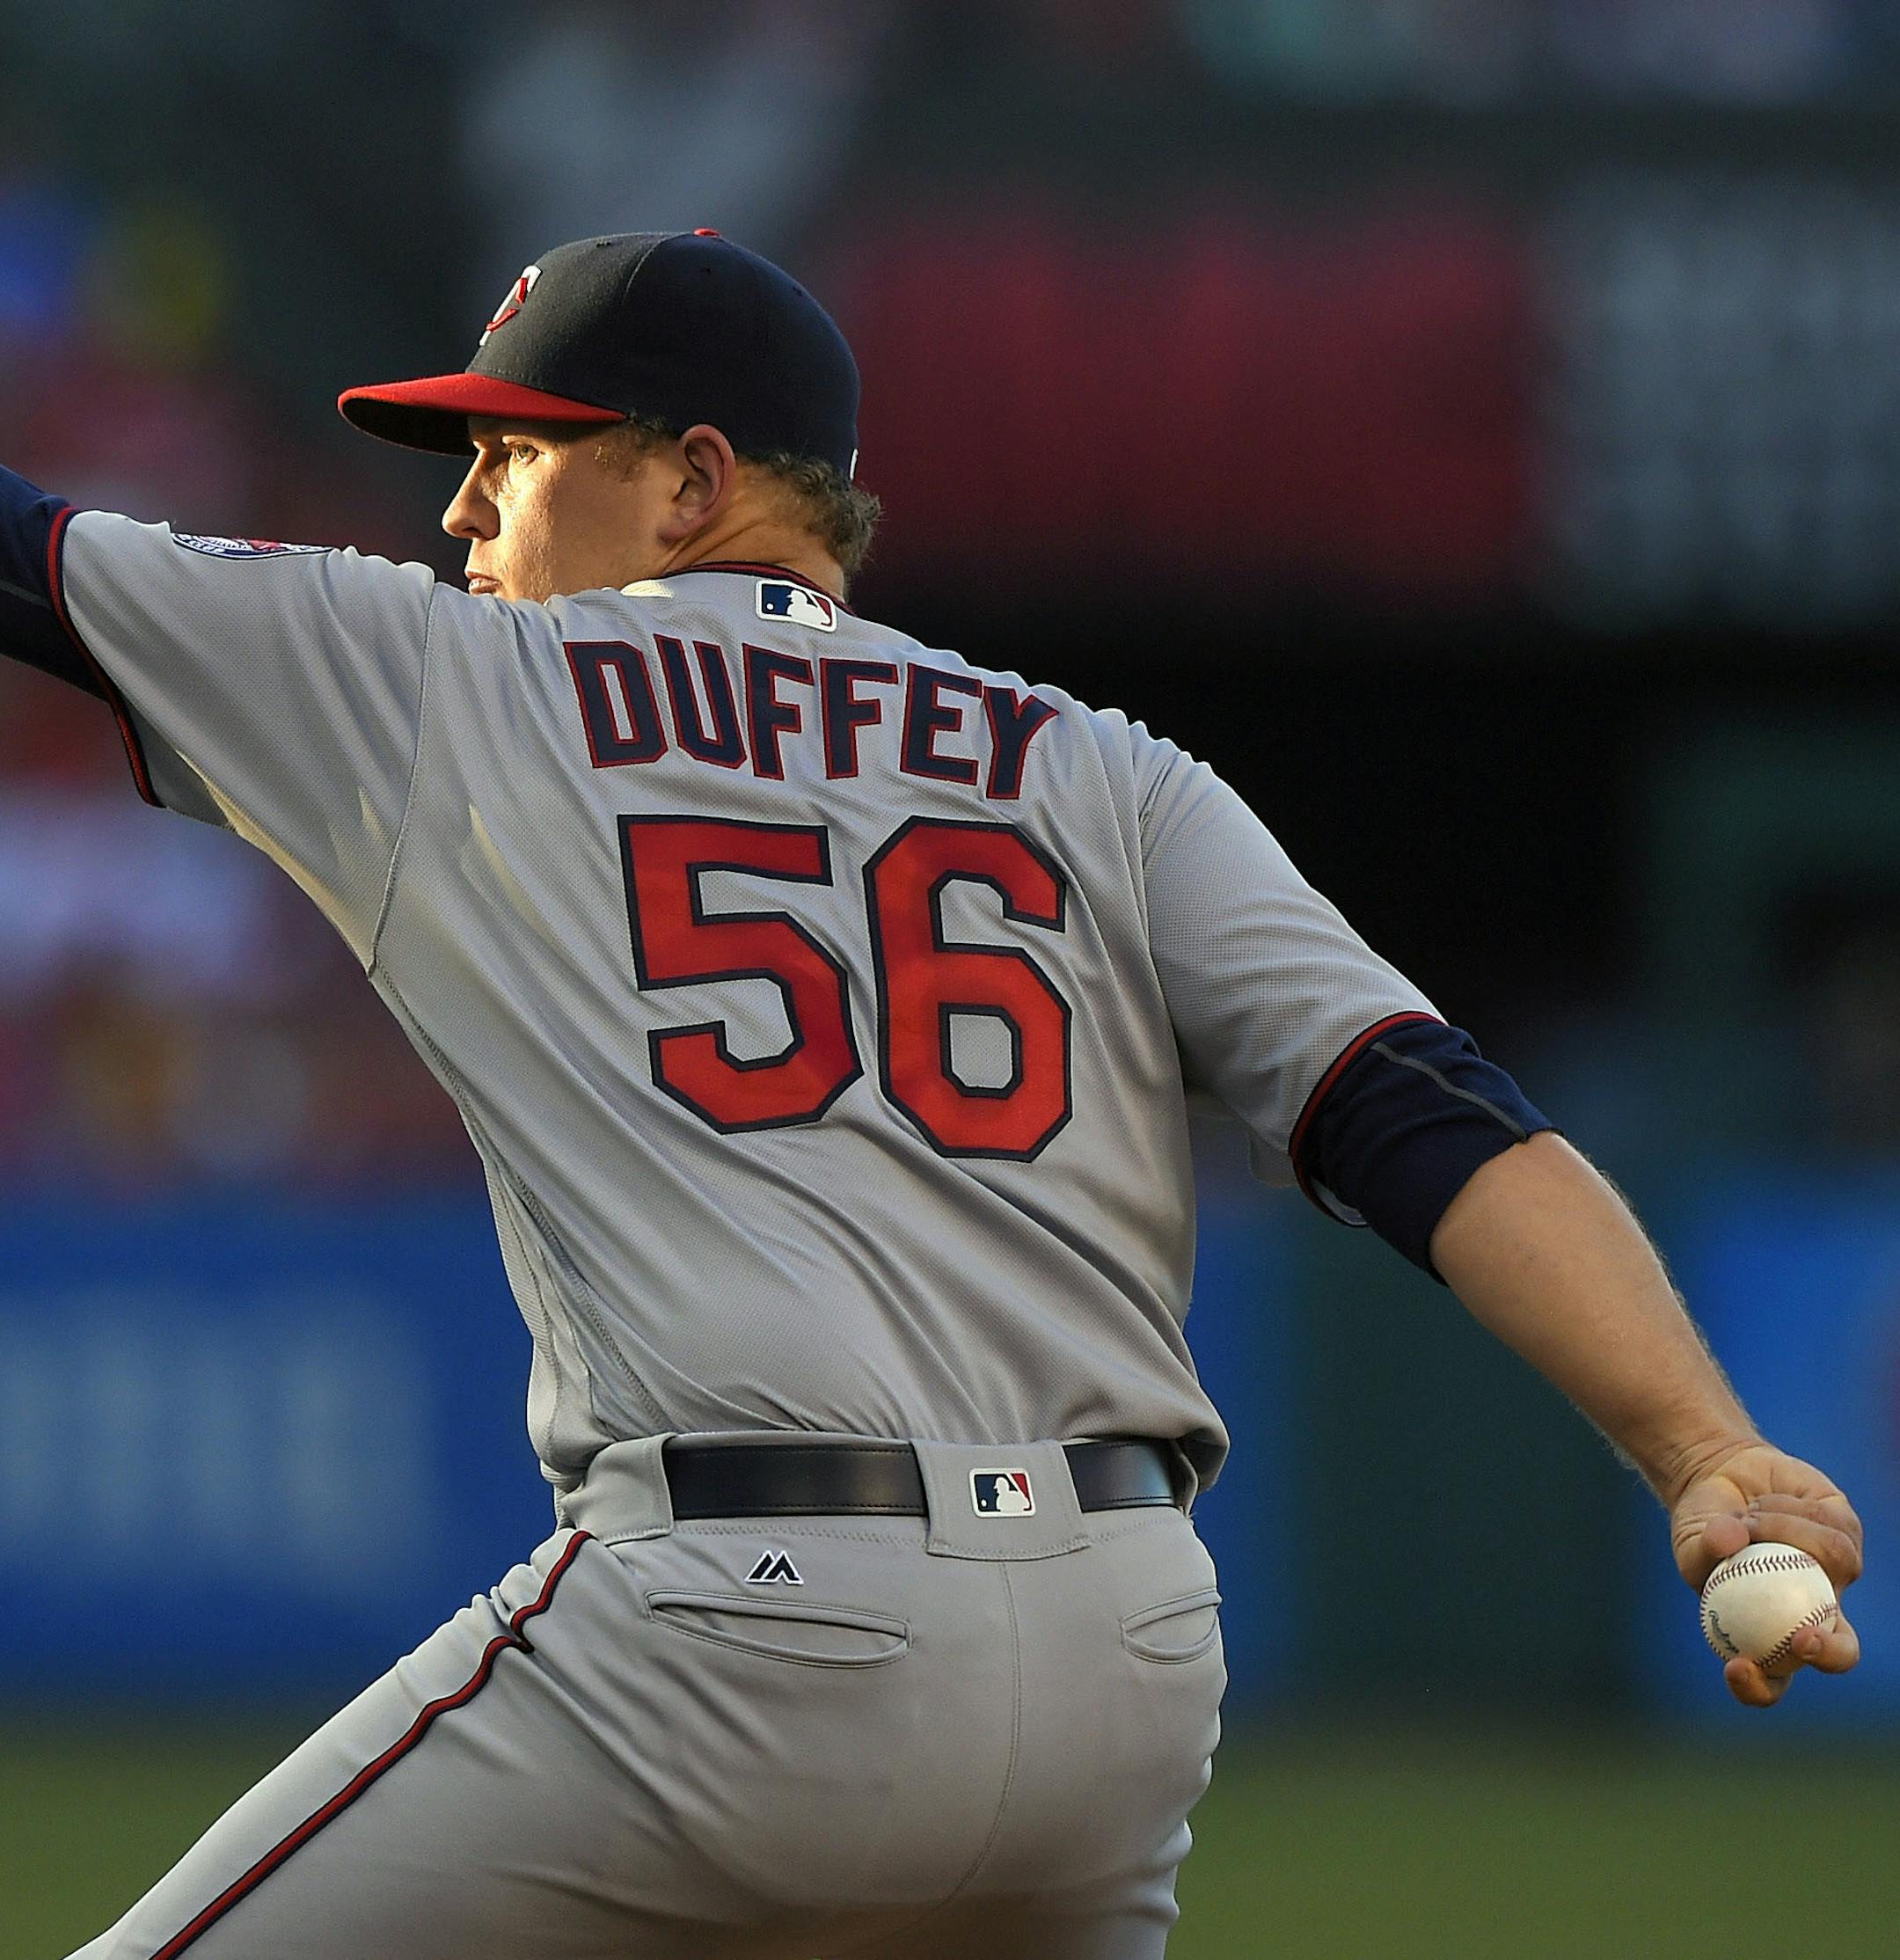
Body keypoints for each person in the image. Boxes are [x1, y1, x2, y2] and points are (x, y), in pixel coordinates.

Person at [0, 230, 1863, 1960]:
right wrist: (1702, 1449)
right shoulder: (1106, 772)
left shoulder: (440, 679)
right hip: (1124, 1649)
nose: (462, 508)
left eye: (518, 451)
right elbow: (1424, 1119)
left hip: (740, 1623)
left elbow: (24, 556)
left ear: (694, 482)